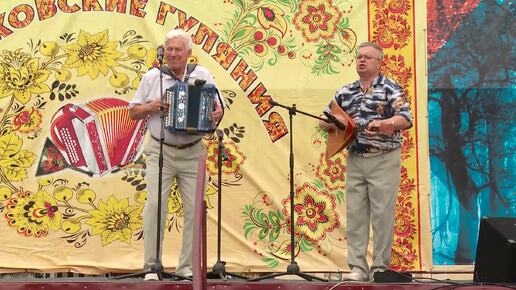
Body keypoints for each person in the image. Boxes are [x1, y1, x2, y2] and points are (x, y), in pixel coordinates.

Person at [129, 29, 223, 281]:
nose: (172, 54)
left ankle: (186, 269)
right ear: (163, 52)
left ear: (188, 54)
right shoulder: (153, 77)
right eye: (168, 49)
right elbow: (133, 112)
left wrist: (216, 115)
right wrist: (153, 105)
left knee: (194, 211)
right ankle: (152, 267)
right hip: (160, 150)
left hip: (192, 152)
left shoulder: (202, 75)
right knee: (155, 208)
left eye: (177, 50)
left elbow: (218, 107)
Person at [319, 42, 412, 282]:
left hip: (383, 158)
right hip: (356, 158)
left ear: (379, 62)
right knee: (356, 214)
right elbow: (323, 120)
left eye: (367, 57)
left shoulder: (390, 88)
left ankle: (379, 267)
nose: (362, 60)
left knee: (382, 214)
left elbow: (404, 118)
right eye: (359, 57)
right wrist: (337, 124)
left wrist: (384, 124)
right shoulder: (345, 91)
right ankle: (357, 268)